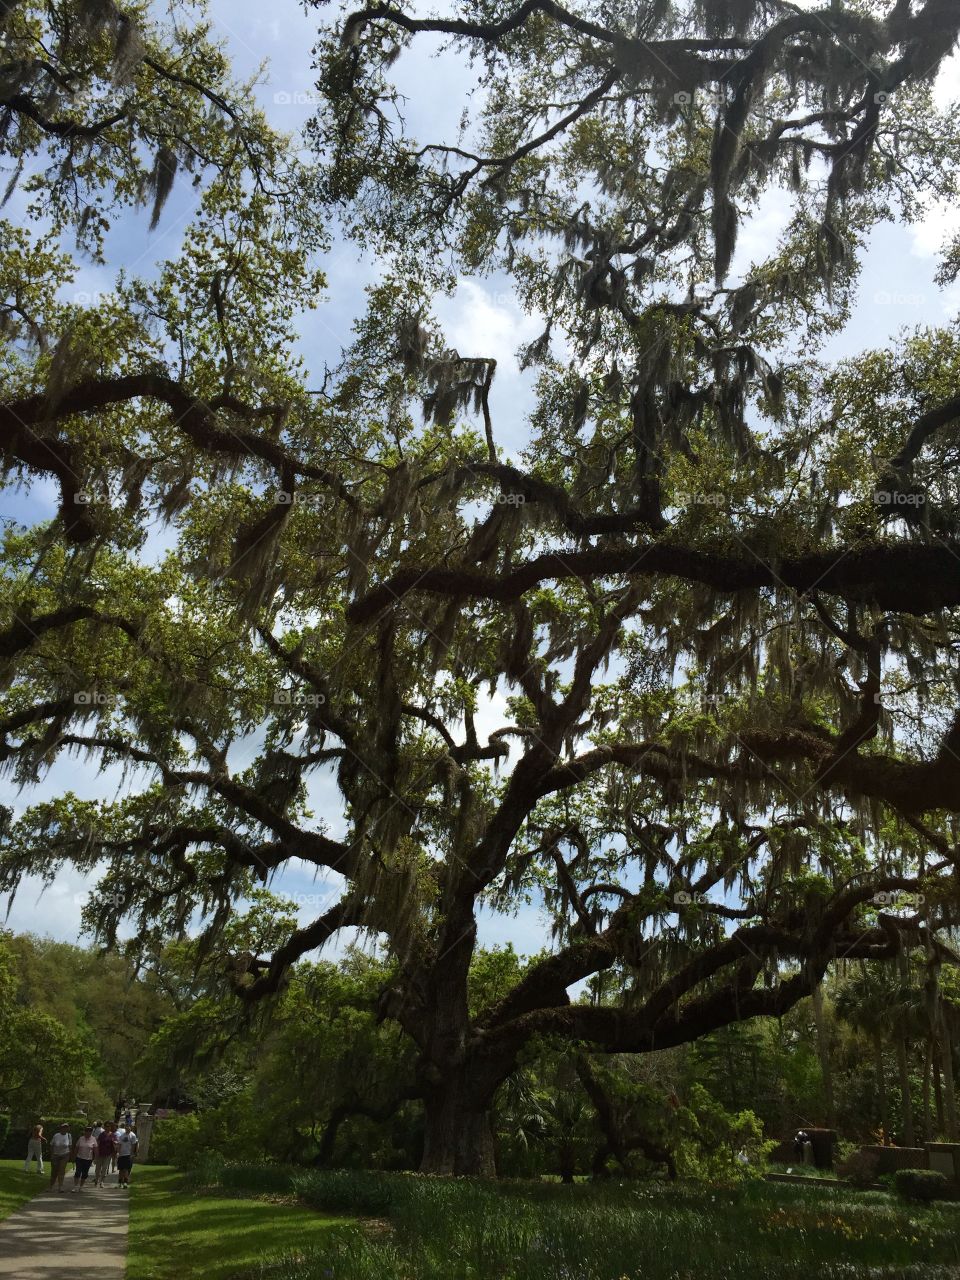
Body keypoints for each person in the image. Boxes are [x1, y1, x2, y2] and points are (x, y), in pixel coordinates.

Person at [49, 1123, 72, 1193]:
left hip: (65, 1155)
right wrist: (52, 1154)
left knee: (61, 1170)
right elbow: (51, 1145)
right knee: (54, 1172)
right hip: (56, 1155)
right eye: (64, 1127)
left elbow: (70, 1145)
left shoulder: (69, 1135)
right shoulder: (56, 1135)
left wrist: (69, 1154)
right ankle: (51, 1186)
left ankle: (60, 1187)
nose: (65, 1129)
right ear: (61, 1128)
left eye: (66, 1127)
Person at [72, 1127, 97, 1192]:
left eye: (90, 1131)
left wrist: (95, 1158)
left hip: (88, 1159)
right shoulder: (81, 1138)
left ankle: (81, 1187)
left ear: (91, 1132)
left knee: (85, 1174)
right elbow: (76, 1148)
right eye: (87, 1131)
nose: (88, 1132)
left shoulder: (93, 1139)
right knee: (78, 1172)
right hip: (79, 1158)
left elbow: (95, 1149)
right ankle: (75, 1186)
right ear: (85, 1131)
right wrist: (74, 1157)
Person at [94, 1123, 116, 1188]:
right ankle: (96, 1179)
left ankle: (102, 1182)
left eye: (108, 1126)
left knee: (104, 1168)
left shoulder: (112, 1135)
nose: (107, 1128)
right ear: (104, 1127)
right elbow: (98, 1143)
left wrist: (115, 1149)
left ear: (110, 1127)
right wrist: (96, 1153)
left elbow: (115, 1143)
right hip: (100, 1154)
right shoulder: (102, 1134)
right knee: (98, 1168)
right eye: (106, 1126)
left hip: (108, 1154)